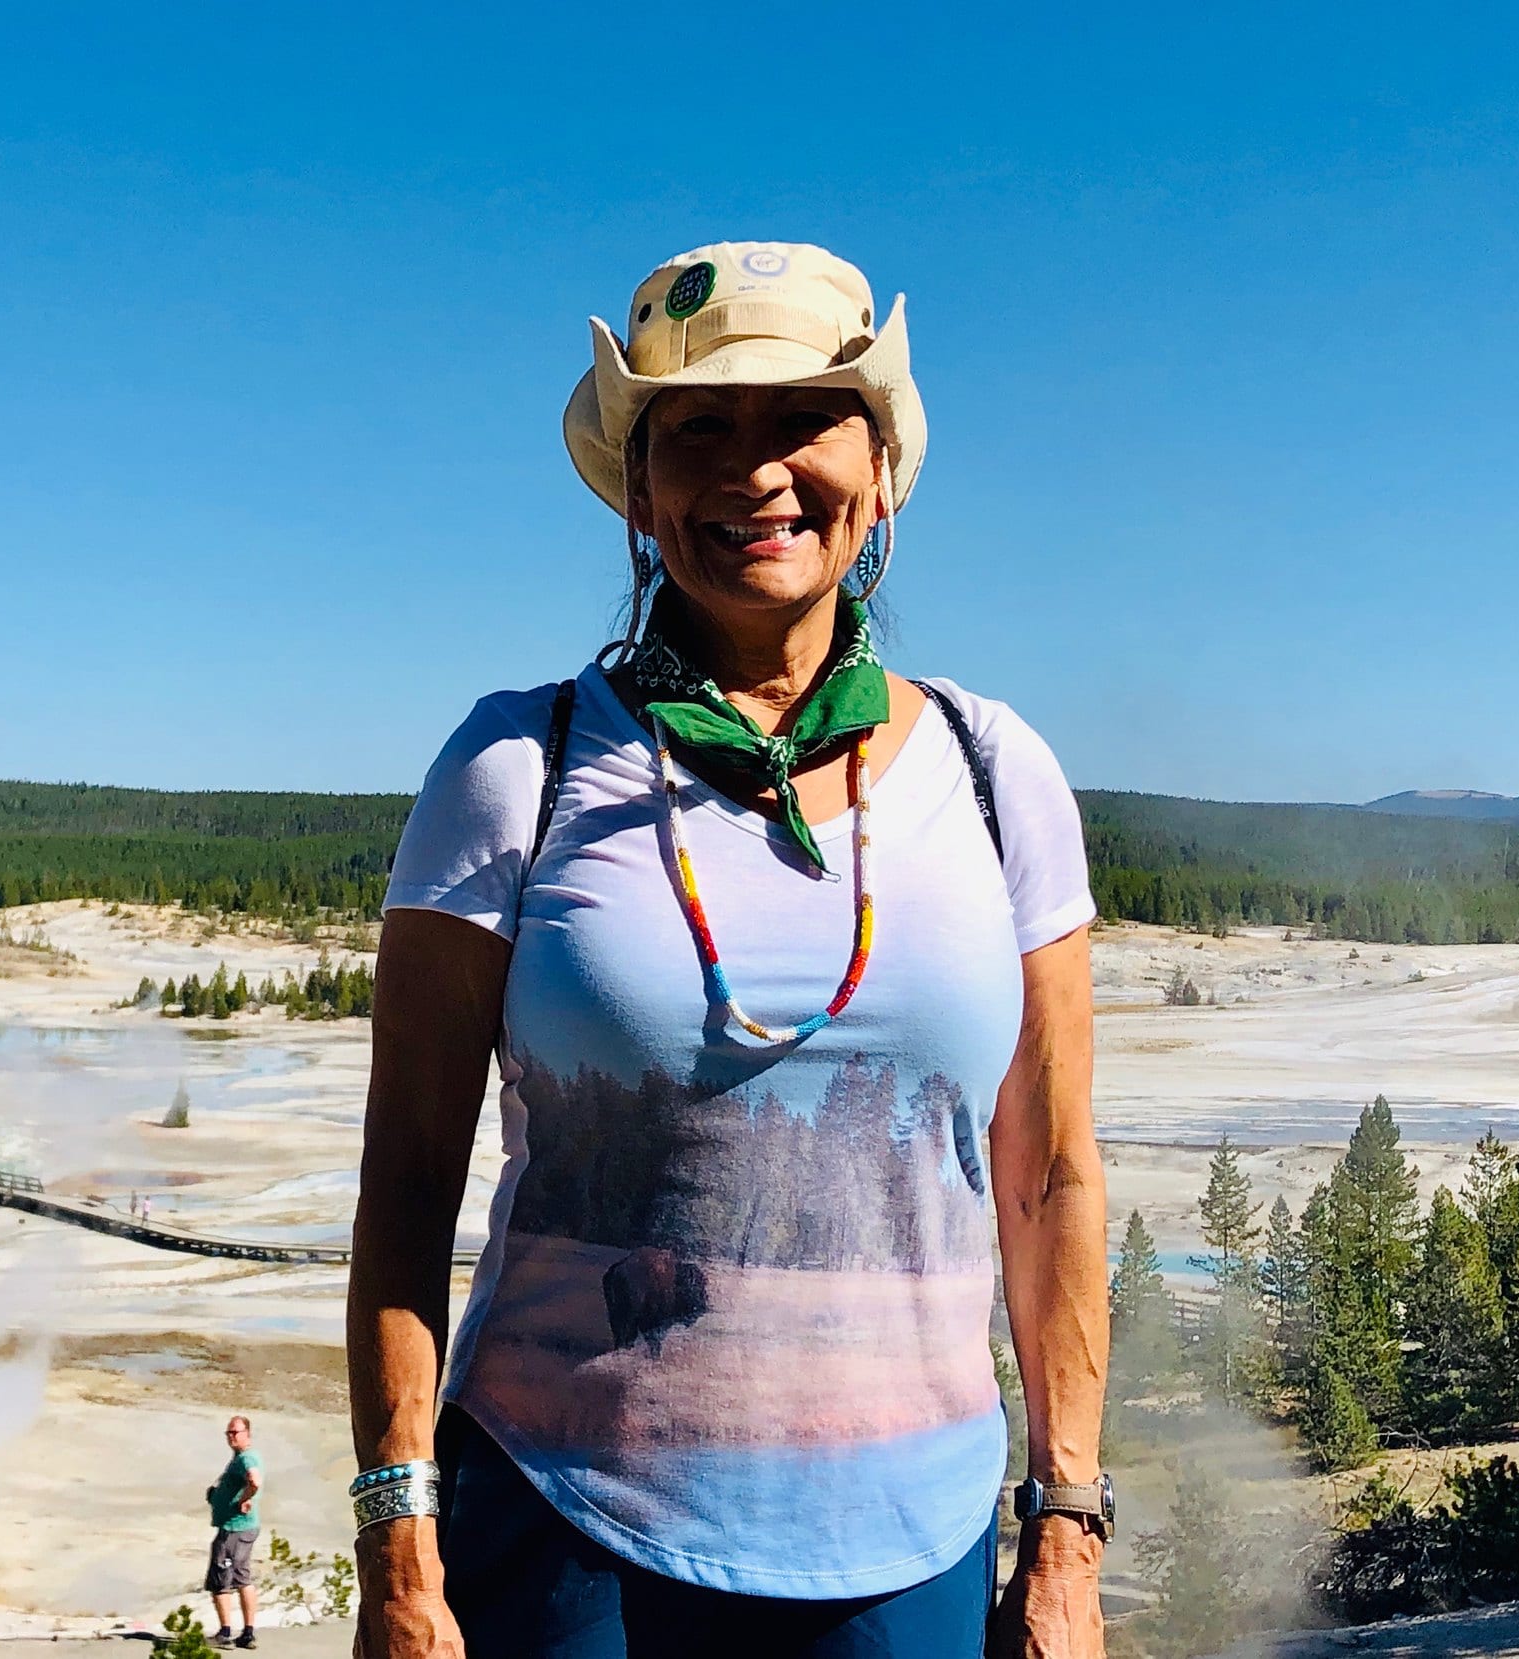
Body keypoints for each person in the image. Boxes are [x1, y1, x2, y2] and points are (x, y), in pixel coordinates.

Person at [348, 242, 1108, 1658]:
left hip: (909, 1544)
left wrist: (1065, 1526)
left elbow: (1052, 1171)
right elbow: (407, 1180)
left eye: (802, 419)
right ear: (640, 495)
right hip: (564, 1533)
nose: (753, 469)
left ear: (879, 469)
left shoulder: (999, 774)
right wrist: (400, 1533)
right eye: (699, 429)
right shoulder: (520, 762)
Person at [205, 1414, 262, 1648]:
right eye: (228, 1433)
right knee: (241, 1576)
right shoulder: (241, 1457)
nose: (231, 1437)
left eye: (235, 1432)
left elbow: (254, 1480)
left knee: (222, 1579)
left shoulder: (246, 1458)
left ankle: (226, 1632)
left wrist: (245, 1499)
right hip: (238, 1527)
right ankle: (246, 1633)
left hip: (234, 1529)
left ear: (247, 1434)